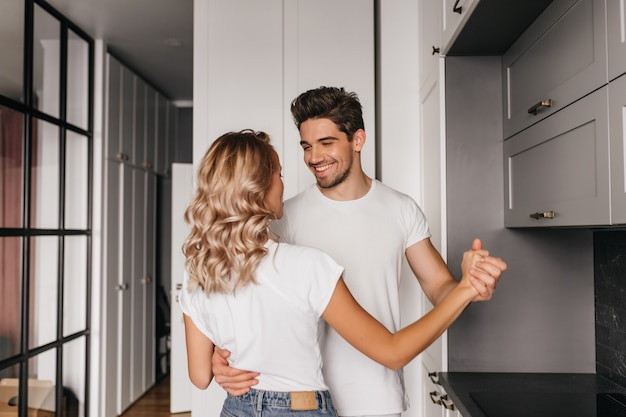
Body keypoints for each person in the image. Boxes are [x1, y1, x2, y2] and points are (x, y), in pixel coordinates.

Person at [210, 88, 508, 417]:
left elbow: (438, 286)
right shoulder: (284, 217)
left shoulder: (401, 209)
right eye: (306, 146)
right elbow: (245, 301)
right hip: (302, 401)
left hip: (377, 399)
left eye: (326, 143)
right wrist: (218, 356)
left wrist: (470, 285)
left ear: (357, 140)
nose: (313, 158)